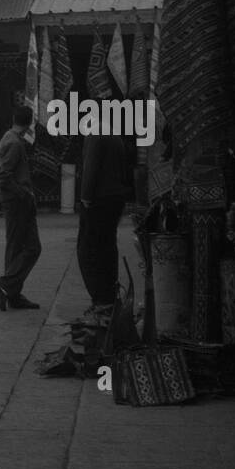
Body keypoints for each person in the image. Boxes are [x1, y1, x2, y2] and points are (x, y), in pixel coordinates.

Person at [77, 125, 129, 323]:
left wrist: (85, 197)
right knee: (107, 248)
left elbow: (91, 166)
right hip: (114, 197)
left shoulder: (96, 135)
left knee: (89, 250)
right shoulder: (115, 135)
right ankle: (108, 296)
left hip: (98, 199)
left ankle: (100, 300)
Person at [0, 104, 41, 311]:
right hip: (18, 202)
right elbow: (3, 175)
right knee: (31, 247)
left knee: (16, 247)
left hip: (15, 200)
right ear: (30, 122)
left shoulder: (8, 137)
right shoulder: (15, 143)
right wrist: (24, 193)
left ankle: (12, 293)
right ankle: (6, 284)